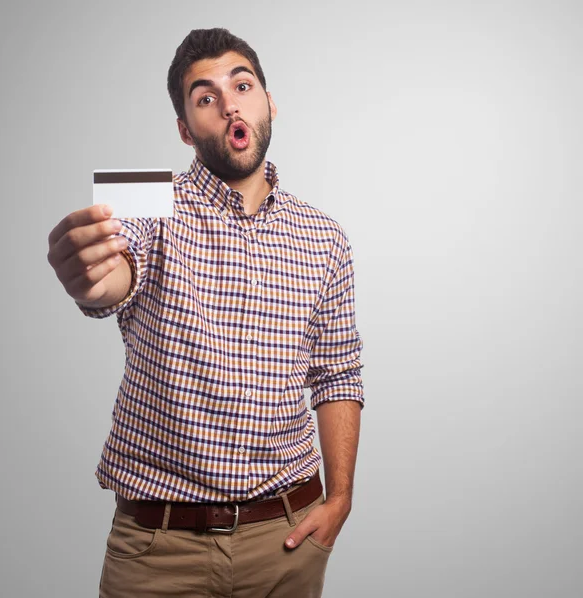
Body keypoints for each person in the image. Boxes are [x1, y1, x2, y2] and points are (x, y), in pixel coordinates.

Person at [47, 27, 364, 598]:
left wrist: (340, 497)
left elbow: (337, 371)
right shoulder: (147, 194)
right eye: (205, 97)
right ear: (185, 129)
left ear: (268, 102)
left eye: (242, 86)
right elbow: (117, 269)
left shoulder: (325, 235)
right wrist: (89, 279)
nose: (228, 104)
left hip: (286, 542)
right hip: (157, 551)